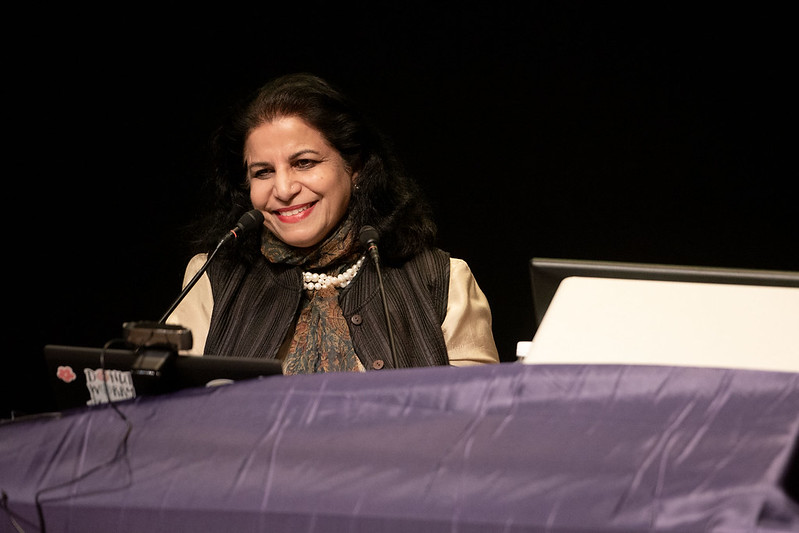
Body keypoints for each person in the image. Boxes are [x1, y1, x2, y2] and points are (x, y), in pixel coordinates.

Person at [167, 73, 499, 373]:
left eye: (304, 163)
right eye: (263, 172)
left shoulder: (442, 280)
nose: (283, 190)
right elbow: (174, 417)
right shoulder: (211, 278)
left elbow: (478, 419)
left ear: (354, 167)